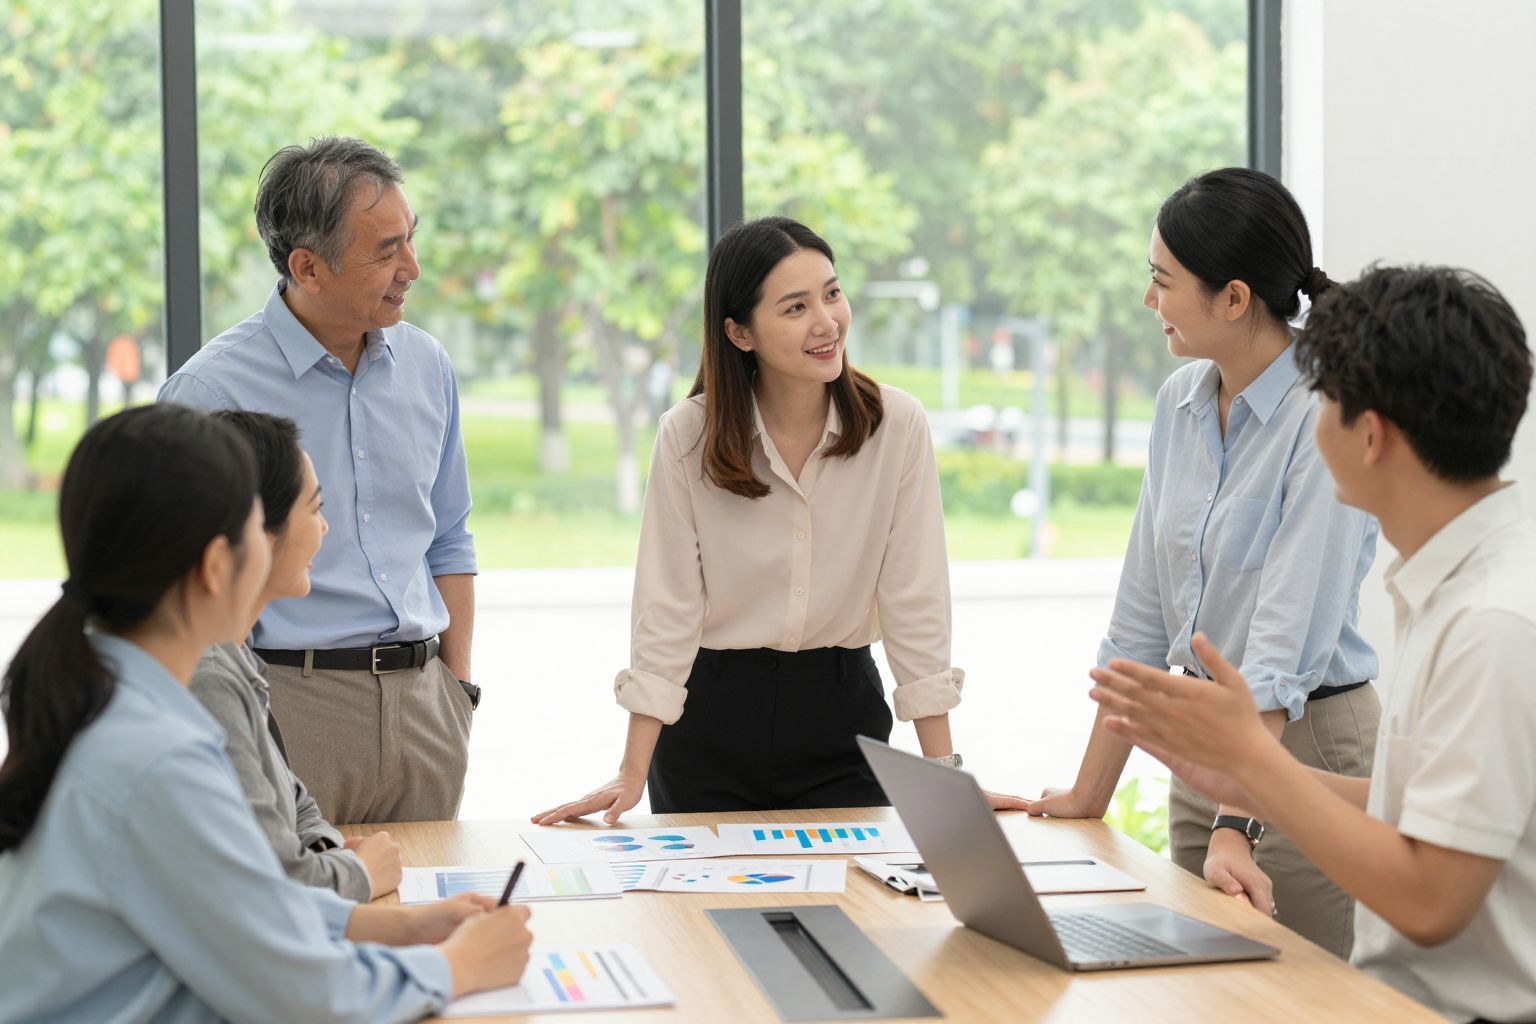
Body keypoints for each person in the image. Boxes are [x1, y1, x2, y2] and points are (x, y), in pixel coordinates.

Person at [1088, 264, 1535, 1023]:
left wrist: (1255, 763)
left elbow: (1431, 901)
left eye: (1321, 400)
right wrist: (1248, 778)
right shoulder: (1463, 585)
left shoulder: (1491, 624)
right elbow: (1411, 806)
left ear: (1371, 436)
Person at [0, 404, 531, 1022]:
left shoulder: (114, 697)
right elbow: (302, 997)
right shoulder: (155, 757)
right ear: (215, 567)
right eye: (259, 524)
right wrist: (459, 966)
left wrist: (402, 928)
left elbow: (240, 902)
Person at [535, 217, 1025, 825]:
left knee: (854, 888)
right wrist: (632, 770)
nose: (826, 322)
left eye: (832, 294)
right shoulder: (688, 435)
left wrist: (945, 776)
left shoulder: (896, 426)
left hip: (841, 718)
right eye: (796, 307)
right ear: (739, 332)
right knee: (707, 894)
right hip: (708, 726)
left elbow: (915, 600)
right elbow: (667, 609)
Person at [1023, 168, 1380, 958]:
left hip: (1308, 746)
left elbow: (1283, 649)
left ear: (1234, 298)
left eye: (1163, 281)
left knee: (1296, 996)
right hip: (1209, 756)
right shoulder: (1180, 401)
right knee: (1204, 987)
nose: (1148, 299)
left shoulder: (1325, 412)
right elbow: (1140, 622)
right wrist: (1088, 795)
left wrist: (1236, 821)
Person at [158, 136, 478, 824]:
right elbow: (186, 589)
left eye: (411, 238)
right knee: (293, 890)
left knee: (429, 891)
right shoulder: (209, 393)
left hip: (428, 710)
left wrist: (459, 689)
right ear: (307, 266)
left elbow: (450, 537)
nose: (413, 268)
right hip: (288, 707)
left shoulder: (429, 366)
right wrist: (242, 722)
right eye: (386, 251)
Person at [188, 409, 401, 902]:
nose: (324, 529)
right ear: (256, 530)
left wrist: (328, 858)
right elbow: (275, 883)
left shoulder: (234, 653)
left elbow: (297, 804)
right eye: (315, 508)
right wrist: (357, 873)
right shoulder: (205, 676)